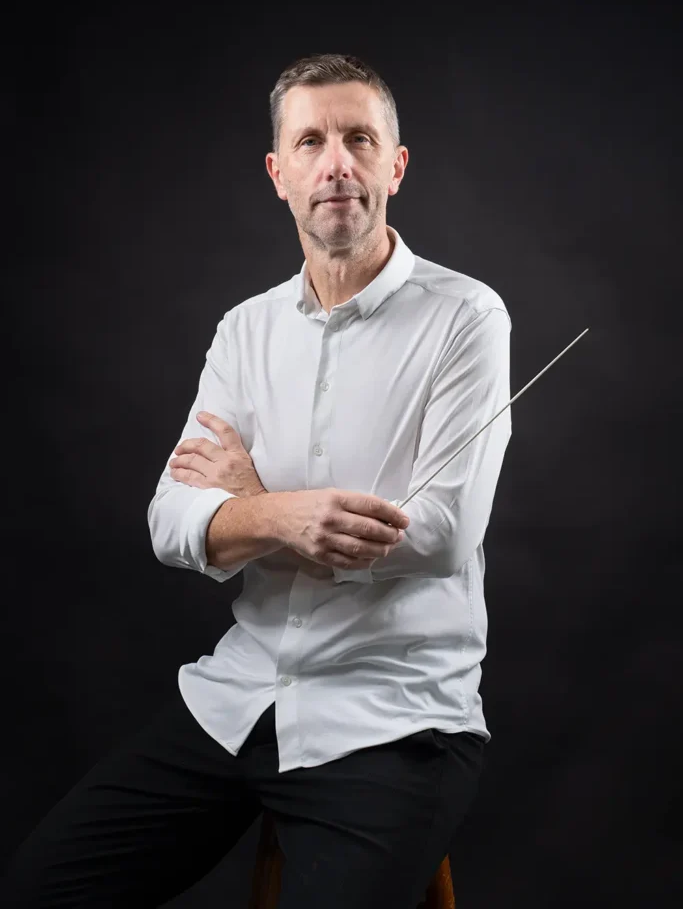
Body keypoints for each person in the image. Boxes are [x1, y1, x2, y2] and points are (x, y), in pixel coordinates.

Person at [3, 53, 512, 908]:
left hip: (395, 720)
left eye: (358, 139)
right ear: (280, 174)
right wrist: (282, 516)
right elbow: (170, 522)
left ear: (394, 165)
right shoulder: (243, 330)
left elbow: (440, 536)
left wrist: (246, 501)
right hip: (238, 695)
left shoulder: (466, 316)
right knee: (38, 893)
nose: (336, 163)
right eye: (311, 141)